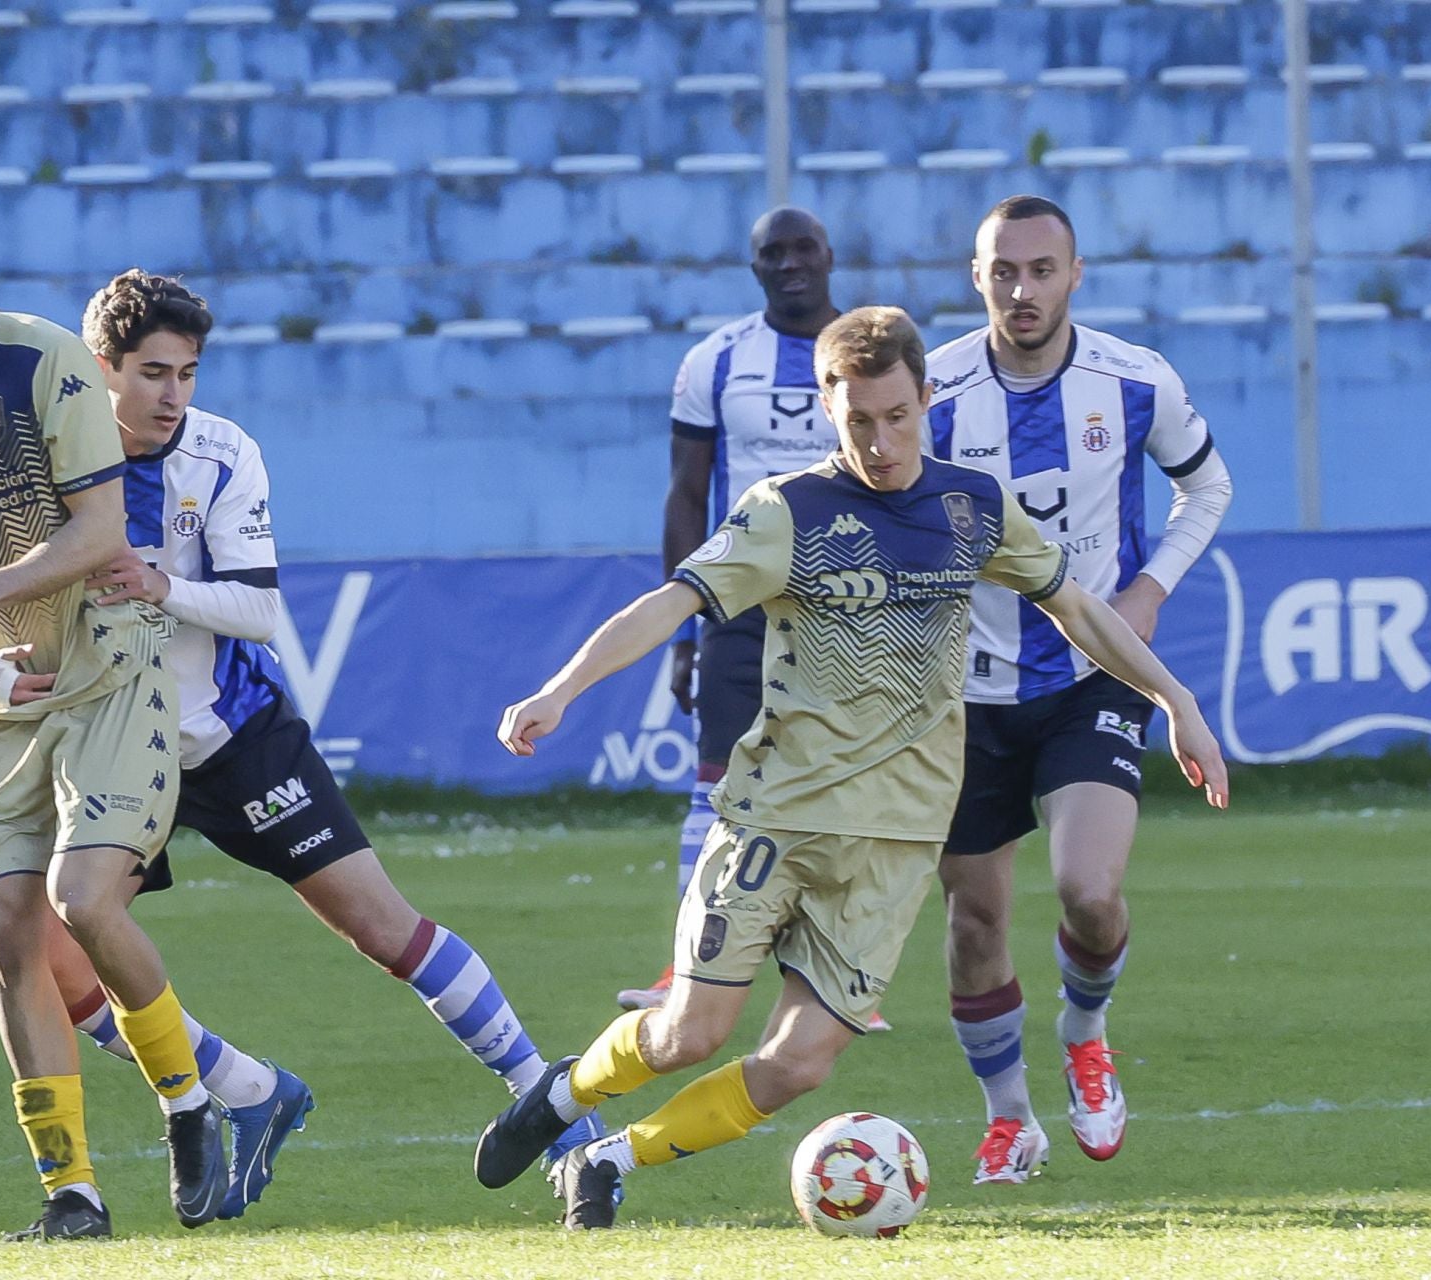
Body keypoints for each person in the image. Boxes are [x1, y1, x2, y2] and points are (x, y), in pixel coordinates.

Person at [471, 306, 1229, 1229]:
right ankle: (562, 1096)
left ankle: (609, 1159)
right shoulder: (788, 512)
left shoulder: (971, 508)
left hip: (897, 846)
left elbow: (1082, 610)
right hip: (774, 820)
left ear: (927, 398)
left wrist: (1175, 702)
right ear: (828, 409)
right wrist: (561, 689)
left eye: (897, 416)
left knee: (799, 1065)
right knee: (686, 1035)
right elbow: (668, 604)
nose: (880, 441)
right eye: (858, 420)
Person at [43, 269, 600, 1195]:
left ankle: (544, 1100)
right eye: (152, 373)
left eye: (187, 372)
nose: (174, 394)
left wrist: (162, 586)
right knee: (60, 954)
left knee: (385, 928)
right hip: (114, 743)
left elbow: (259, 612)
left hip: (235, 736)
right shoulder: (59, 452)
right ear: (103, 368)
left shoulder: (223, 454)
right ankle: (241, 1086)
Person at [0, 176, 227, 1241]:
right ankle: (72, 1193)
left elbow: (102, 532)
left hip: (110, 668)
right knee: (5, 922)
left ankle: (190, 1100)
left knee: (84, 898)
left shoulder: (45, 359)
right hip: (8, 694)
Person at [924, 195, 1235, 1184]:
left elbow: (1210, 487)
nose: (1022, 289)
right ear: (976, 275)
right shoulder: (926, 394)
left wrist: (1149, 587)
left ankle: (1087, 1028)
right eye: (1002, 270)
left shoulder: (1135, 381)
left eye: (1041, 269)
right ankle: (1011, 1118)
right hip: (962, 696)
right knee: (975, 920)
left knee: (1089, 892)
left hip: (1091, 671)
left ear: (1075, 272)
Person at [621, 207, 886, 1033]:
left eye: (803, 246)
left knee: (850, 793)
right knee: (717, 791)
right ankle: (684, 968)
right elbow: (684, 493)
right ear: (755, 267)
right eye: (774, 251)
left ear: (830, 254)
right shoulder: (717, 359)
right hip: (741, 605)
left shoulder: (874, 352)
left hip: (850, 606)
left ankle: (845, 978)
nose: (790, 262)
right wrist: (684, 617)